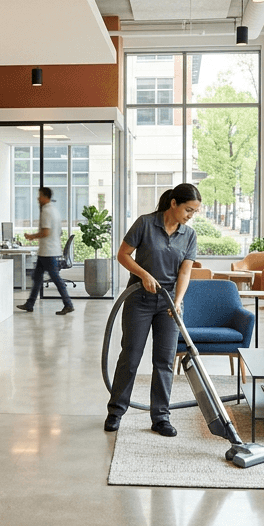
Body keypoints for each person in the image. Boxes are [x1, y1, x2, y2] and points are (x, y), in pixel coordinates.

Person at [104, 183, 201, 437]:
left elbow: (185, 272)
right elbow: (123, 255)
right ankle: (116, 411)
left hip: (169, 304)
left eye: (194, 212)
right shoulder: (145, 223)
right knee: (130, 357)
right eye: (188, 210)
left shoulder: (189, 235)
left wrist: (178, 301)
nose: (190, 216)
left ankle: (160, 417)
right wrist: (143, 274)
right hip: (139, 299)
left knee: (164, 361)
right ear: (174, 203)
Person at [16, 187, 75, 316]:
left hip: (48, 252)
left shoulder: (46, 211)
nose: (38, 198)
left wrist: (31, 236)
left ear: (45, 197)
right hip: (48, 251)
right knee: (37, 278)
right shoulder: (54, 210)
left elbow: (46, 232)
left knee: (56, 278)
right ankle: (30, 304)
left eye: (40, 195)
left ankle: (68, 304)